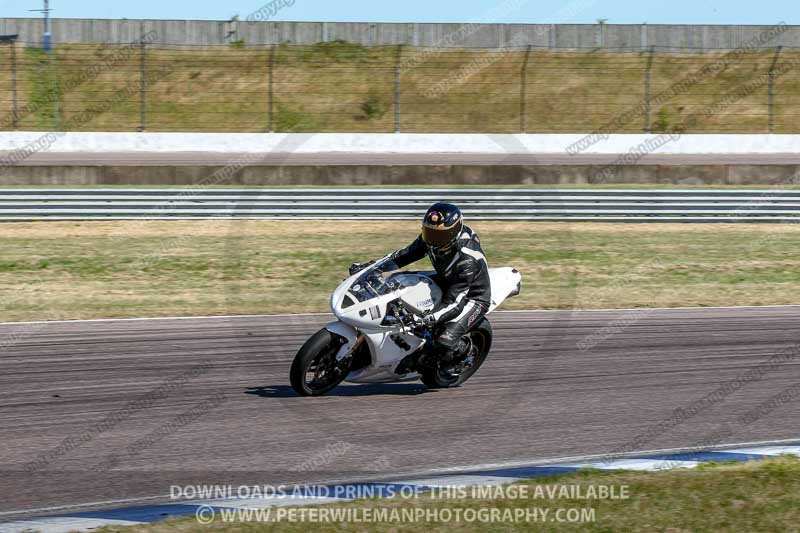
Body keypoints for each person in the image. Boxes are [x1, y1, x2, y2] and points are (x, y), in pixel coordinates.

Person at [350, 202, 491, 366]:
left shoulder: (466, 260)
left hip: (471, 297)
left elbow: (455, 302)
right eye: (429, 232)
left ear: (454, 233)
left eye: (439, 236)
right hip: (445, 279)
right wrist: (371, 267)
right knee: (396, 284)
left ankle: (458, 354)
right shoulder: (430, 239)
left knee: (444, 341)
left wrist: (428, 318)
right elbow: (402, 256)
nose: (432, 240)